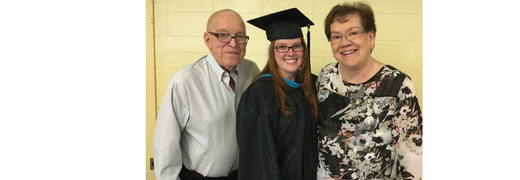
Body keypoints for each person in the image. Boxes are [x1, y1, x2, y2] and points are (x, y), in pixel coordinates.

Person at [315, 2, 423, 179]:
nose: (345, 42)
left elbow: (413, 156)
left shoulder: (398, 85)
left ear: (371, 37)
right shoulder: (326, 77)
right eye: (336, 36)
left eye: (353, 33)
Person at [152, 9, 261, 180]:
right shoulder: (184, 83)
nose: (233, 43)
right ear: (207, 40)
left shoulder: (252, 71)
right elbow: (165, 147)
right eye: (223, 35)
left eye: (240, 36)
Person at [236, 8, 319, 180]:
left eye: (297, 46)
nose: (290, 53)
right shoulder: (259, 95)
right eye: (282, 47)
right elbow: (257, 161)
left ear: (304, 49)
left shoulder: (312, 85)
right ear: (273, 51)